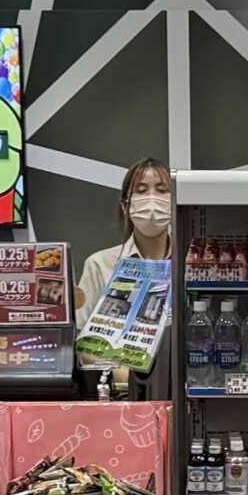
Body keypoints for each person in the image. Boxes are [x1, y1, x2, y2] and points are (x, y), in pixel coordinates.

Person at [75, 159, 174, 395]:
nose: (152, 199)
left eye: (162, 190)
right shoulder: (100, 264)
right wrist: (128, 378)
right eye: (141, 190)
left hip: (181, 393)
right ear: (124, 205)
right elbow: (83, 346)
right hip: (120, 395)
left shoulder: (190, 264)